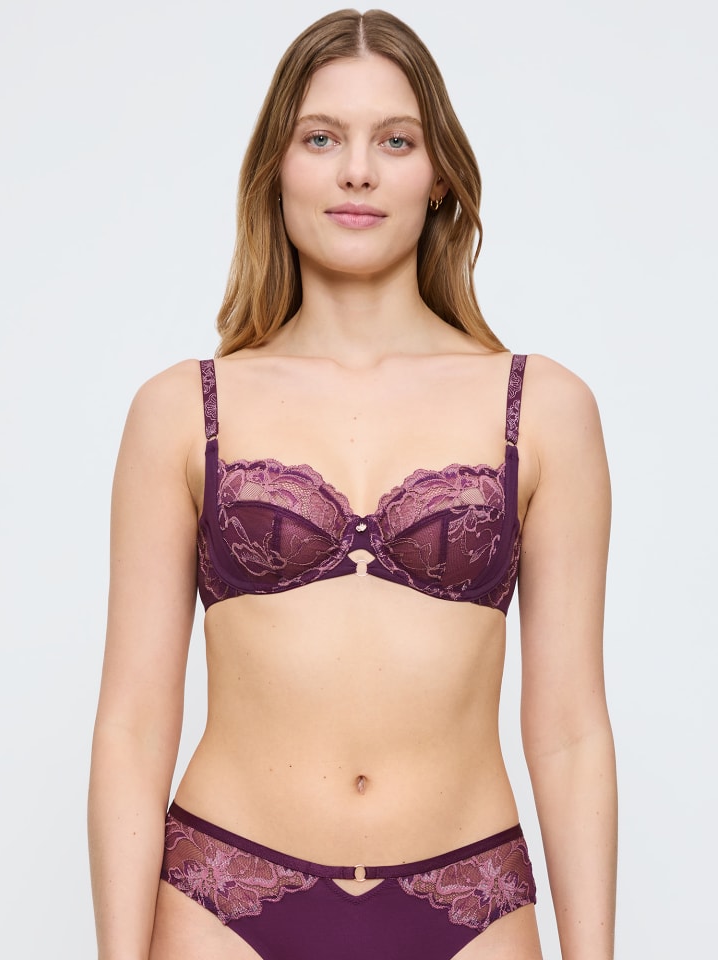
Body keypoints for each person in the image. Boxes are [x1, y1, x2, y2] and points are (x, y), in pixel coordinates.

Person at [88, 9, 616, 959]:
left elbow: (572, 729)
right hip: (223, 898)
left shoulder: (543, 408)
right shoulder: (181, 410)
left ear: (439, 173)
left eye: (396, 140)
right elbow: (132, 724)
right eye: (322, 138)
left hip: (469, 899)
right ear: (276, 168)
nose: (358, 172)